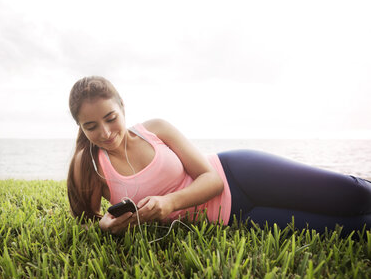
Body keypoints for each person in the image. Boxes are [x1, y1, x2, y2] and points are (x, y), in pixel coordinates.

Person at [66, 76, 371, 236]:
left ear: (122, 107)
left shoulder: (154, 129)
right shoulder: (89, 167)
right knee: (355, 230)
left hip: (239, 173)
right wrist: (106, 227)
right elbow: (88, 224)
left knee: (354, 195)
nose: (105, 132)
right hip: (233, 217)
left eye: (110, 118)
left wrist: (168, 203)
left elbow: (212, 181)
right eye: (91, 126)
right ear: (80, 126)